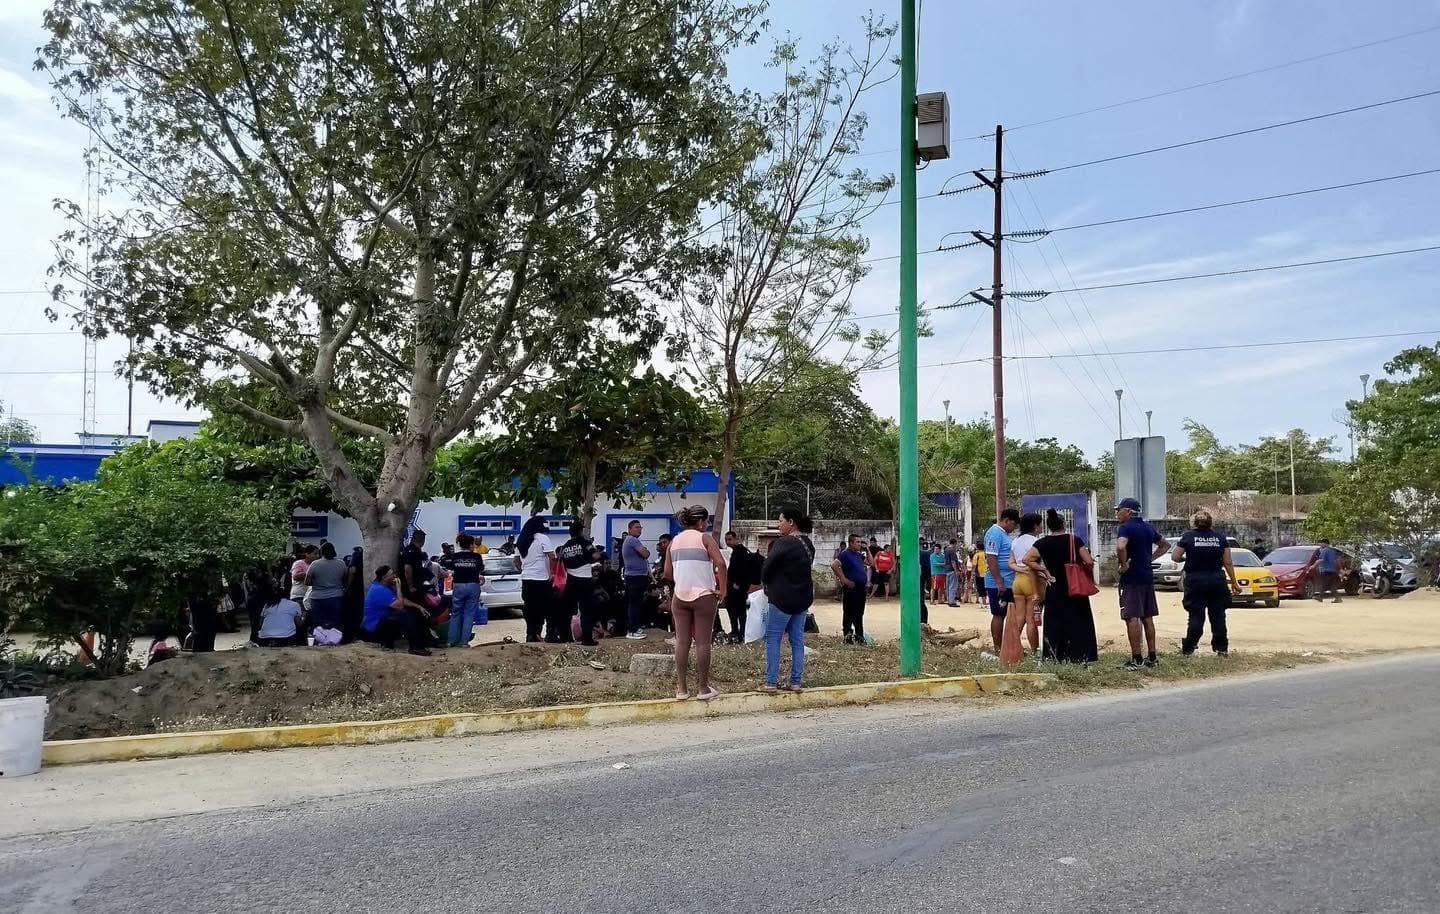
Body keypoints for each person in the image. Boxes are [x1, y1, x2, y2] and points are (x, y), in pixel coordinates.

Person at [664, 505, 727, 701]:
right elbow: (721, 564)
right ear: (700, 522)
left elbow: (667, 573)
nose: (707, 525)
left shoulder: (674, 542)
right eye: (707, 521)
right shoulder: (705, 539)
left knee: (682, 642)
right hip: (703, 596)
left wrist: (684, 579)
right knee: (702, 642)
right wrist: (722, 589)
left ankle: (681, 689)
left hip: (680, 596)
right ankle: (703, 689)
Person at [1024, 509, 1099, 663]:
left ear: (1049, 526)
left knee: (1054, 621)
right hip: (1074, 587)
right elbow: (1089, 561)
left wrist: (1044, 570)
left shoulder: (1041, 543)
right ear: (1064, 524)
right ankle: (1081, 655)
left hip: (1054, 585)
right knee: (1079, 620)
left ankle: (1054, 655)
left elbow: (1027, 559)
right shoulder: (1074, 540)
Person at [760, 507, 815, 692]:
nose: (778, 524)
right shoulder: (808, 544)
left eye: (780, 520)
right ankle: (796, 682)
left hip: (782, 599)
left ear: (791, 522)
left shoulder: (783, 543)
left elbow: (767, 568)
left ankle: (770, 682)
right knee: (797, 640)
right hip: (802, 599)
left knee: (773, 639)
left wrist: (766, 582)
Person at [1173, 510, 1240, 656]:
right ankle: (1221, 649)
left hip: (1195, 581)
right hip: (1217, 581)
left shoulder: (1188, 536)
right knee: (1218, 616)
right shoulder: (1220, 538)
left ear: (1194, 523)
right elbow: (1228, 562)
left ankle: (1189, 649)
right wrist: (1234, 583)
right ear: (1211, 523)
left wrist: (1187, 559)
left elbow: (1175, 556)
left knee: (1196, 616)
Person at [1114, 497, 1169, 670]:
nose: (1117, 513)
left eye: (1119, 510)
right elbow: (1165, 545)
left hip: (1131, 579)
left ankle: (1136, 658)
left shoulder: (1125, 527)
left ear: (1128, 511)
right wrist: (1149, 559)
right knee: (1147, 617)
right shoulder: (1148, 527)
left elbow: (1121, 547)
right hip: (1146, 577)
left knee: (1132, 617)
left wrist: (1123, 565)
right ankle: (1152, 657)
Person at [1002, 512, 1044, 667]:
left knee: (1018, 618)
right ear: (1034, 526)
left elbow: (1010, 562)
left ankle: (1012, 648)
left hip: (1017, 581)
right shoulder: (1036, 541)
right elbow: (1039, 563)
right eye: (1039, 524)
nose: (1040, 527)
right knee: (1031, 619)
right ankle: (1035, 652)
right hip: (1030, 581)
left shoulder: (1016, 541)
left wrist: (1020, 569)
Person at [361, 565, 432, 655]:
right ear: (384, 577)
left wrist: (418, 606)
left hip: (382, 622)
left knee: (411, 613)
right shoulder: (378, 589)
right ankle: (415, 647)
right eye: (391, 574)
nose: (394, 576)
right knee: (405, 615)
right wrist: (398, 588)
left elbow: (401, 600)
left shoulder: (384, 586)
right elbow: (400, 605)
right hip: (373, 628)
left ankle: (422, 642)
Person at [558, 522, 602, 646]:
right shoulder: (584, 543)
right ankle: (587, 638)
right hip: (584, 580)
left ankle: (565, 637)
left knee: (566, 611)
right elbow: (595, 555)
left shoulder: (564, 547)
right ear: (580, 531)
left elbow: (561, 561)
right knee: (586, 610)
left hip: (570, 581)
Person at [516, 513, 558, 643]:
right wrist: (553, 573)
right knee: (544, 608)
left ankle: (530, 634)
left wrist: (524, 569)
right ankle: (539, 634)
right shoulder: (542, 538)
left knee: (529, 608)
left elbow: (516, 561)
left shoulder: (521, 539)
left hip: (527, 579)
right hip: (541, 579)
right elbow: (552, 557)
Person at [440, 532, 486, 647]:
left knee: (456, 613)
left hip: (459, 586)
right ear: (471, 545)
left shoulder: (455, 557)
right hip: (473, 585)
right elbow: (481, 569)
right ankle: (464, 642)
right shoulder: (477, 556)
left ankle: (451, 641)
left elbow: (449, 567)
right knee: (469, 614)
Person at [984, 509, 1020, 654]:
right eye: (1014, 525)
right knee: (998, 613)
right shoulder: (995, 534)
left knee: (1007, 613)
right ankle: (998, 648)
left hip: (1008, 581)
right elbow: (991, 560)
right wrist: (999, 582)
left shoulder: (1003, 534)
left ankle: (1006, 646)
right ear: (1007, 520)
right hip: (998, 583)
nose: (1014, 528)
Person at [833, 533, 871, 645]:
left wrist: (867, 550)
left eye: (860, 542)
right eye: (857, 542)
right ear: (851, 543)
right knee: (849, 612)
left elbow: (871, 563)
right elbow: (834, 565)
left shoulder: (858, 555)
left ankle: (859, 636)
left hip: (861, 588)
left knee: (859, 612)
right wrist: (844, 579)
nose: (860, 544)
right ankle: (847, 635)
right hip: (851, 588)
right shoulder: (845, 554)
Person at [723, 531, 760, 644]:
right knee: (736, 610)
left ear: (735, 539)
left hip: (738, 588)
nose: (728, 542)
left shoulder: (740, 552)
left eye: (729, 539)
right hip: (738, 587)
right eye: (726, 540)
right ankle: (738, 632)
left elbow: (741, 571)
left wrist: (737, 584)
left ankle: (739, 632)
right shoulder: (738, 552)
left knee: (737, 610)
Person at [304, 542, 349, 633]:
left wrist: (318, 582)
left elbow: (307, 582)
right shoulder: (341, 563)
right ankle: (335, 641)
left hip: (318, 598)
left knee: (318, 623)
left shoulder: (315, 564)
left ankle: (320, 642)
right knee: (335, 622)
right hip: (336, 596)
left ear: (321, 552)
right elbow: (345, 579)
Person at [621, 520, 652, 640]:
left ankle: (635, 627)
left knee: (636, 604)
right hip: (635, 577)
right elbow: (645, 554)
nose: (639, 529)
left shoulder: (632, 541)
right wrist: (645, 550)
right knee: (634, 604)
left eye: (640, 527)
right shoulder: (632, 540)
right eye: (636, 527)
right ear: (630, 529)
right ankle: (632, 630)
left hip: (635, 576)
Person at [255, 574, 306, 647]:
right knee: (298, 625)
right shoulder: (294, 604)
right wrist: (304, 615)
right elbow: (299, 624)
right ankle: (301, 643)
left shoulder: (268, 605)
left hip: (265, 637)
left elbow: (260, 624)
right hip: (286, 637)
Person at [1308, 539, 1343, 604]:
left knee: (1325, 584)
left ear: (1325, 544)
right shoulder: (1332, 551)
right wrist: (1340, 569)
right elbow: (1337, 560)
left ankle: (1321, 597)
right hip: (1333, 570)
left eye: (1321, 543)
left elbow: (1321, 560)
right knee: (1330, 585)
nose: (1320, 545)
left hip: (1326, 570)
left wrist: (1313, 566)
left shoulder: (1324, 551)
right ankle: (1336, 598)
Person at [943, 539, 962, 606]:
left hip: (947, 570)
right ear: (954, 543)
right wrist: (956, 570)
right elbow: (953, 561)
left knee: (948, 586)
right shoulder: (952, 551)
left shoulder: (946, 550)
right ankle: (952, 601)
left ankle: (948, 600)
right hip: (952, 570)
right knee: (953, 586)